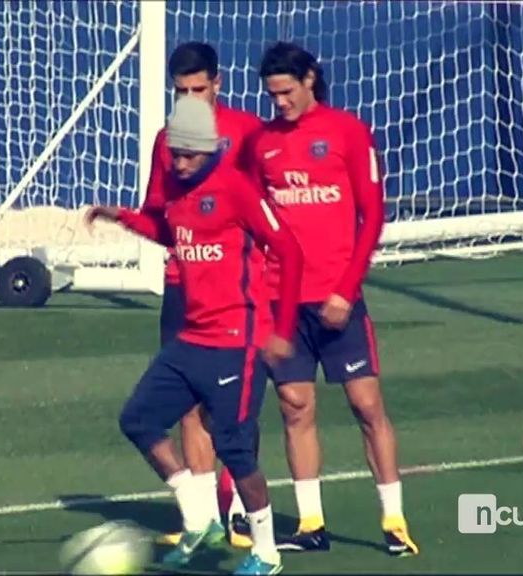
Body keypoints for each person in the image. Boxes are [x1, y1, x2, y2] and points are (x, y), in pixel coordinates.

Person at [86, 95, 303, 575]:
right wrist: (119, 215)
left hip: (236, 343)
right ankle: (198, 514)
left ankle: (266, 553)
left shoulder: (238, 189)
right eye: (174, 156)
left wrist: (282, 328)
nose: (179, 164)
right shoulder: (181, 193)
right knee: (138, 419)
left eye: (188, 156)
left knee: (235, 449)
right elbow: (171, 231)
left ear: (210, 150)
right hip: (192, 340)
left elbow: (288, 249)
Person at [247, 41, 419, 556]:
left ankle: (394, 520)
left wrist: (346, 289)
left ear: (310, 80)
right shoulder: (262, 145)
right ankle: (310, 524)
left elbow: (372, 216)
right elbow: (255, 223)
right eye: (272, 95)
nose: (280, 103)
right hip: (284, 302)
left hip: (338, 300)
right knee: (295, 407)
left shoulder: (347, 132)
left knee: (367, 406)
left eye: (286, 92)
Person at [142, 41, 263, 549]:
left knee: (231, 409)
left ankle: (239, 513)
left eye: (198, 88)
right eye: (181, 91)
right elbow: (154, 211)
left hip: (237, 290)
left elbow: (268, 210)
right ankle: (202, 517)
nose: (190, 98)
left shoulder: (248, 132)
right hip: (181, 287)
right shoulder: (167, 140)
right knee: (189, 406)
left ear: (218, 83)